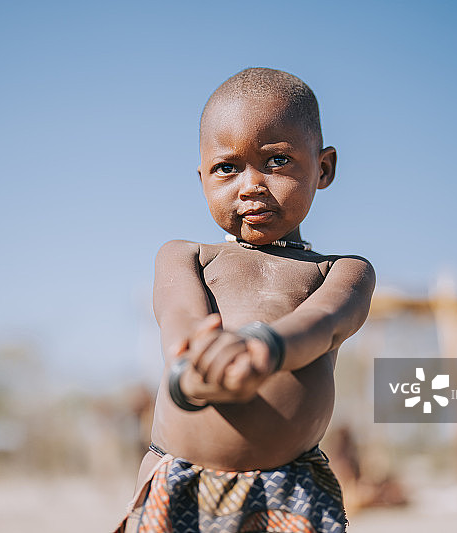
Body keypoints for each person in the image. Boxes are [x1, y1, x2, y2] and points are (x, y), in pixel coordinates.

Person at [116, 67, 375, 532]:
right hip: (180, 480)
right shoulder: (185, 255)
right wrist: (192, 371)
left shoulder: (341, 270)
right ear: (202, 179)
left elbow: (325, 321)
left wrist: (265, 349)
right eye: (227, 168)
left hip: (290, 490)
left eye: (277, 161)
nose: (250, 184)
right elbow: (178, 316)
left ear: (324, 168)